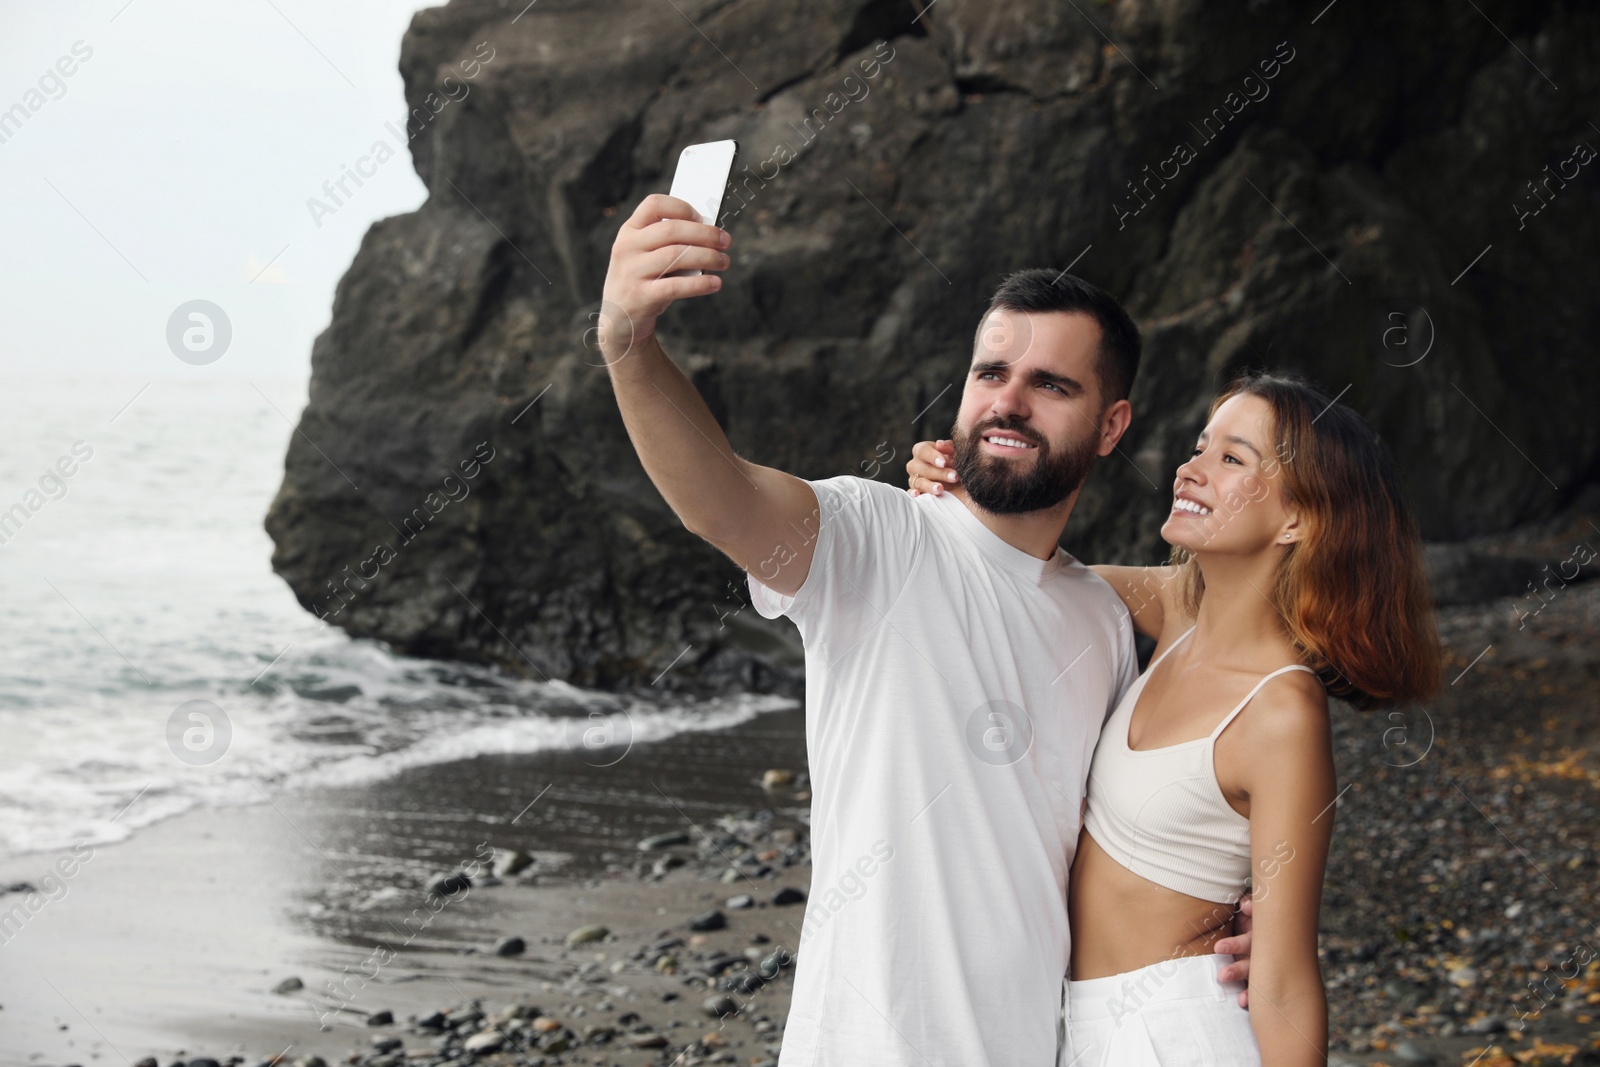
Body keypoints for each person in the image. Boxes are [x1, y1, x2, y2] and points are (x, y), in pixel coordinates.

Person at [595, 192, 1253, 1064]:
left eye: (1051, 384)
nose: (1008, 403)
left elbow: (1109, 833)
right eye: (991, 374)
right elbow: (720, 497)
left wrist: (1230, 910)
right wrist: (630, 350)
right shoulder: (877, 538)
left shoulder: (1099, 617)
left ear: (1111, 425)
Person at [906, 371, 1442, 1064]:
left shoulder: (1282, 710)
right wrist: (957, 487)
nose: (1190, 468)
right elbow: (1016, 577)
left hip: (1172, 1034)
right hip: (1078, 1025)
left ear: (1298, 518)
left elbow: (1283, 982)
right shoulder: (1181, 610)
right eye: (1200, 445)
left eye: (1232, 458)